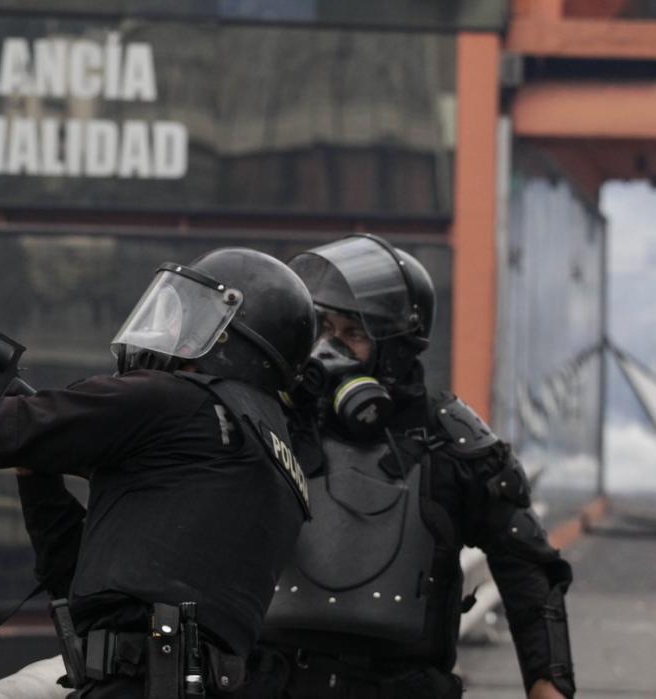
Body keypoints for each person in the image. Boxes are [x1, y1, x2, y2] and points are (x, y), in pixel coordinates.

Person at [0, 248, 318, 698]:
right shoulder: (269, 450)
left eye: (194, 319)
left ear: (229, 338)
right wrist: (36, 474)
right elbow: (85, 580)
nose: (174, 332)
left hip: (140, 681)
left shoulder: (174, 401)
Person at [240, 234, 574, 699]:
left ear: (396, 348)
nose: (326, 350)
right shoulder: (277, 422)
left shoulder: (449, 438)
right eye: (324, 329)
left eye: (353, 334)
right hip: (277, 683)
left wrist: (547, 681)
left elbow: (526, 566)